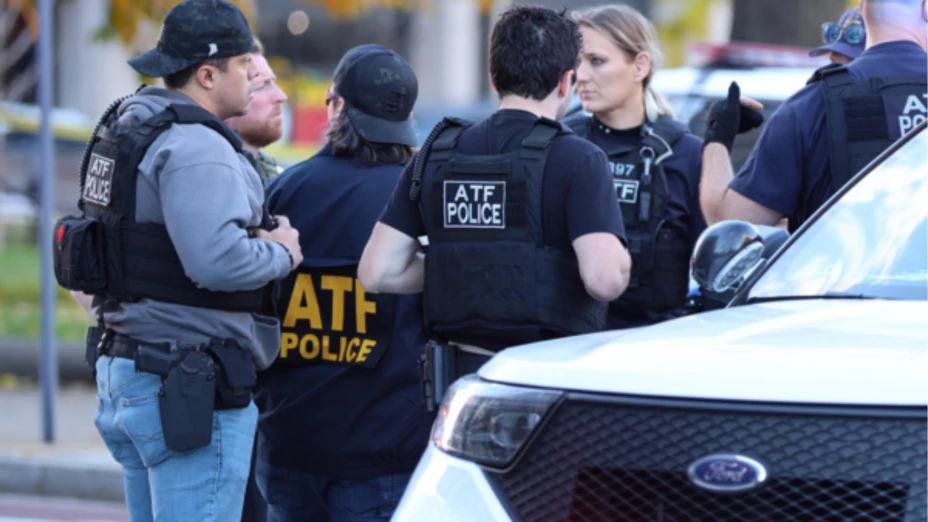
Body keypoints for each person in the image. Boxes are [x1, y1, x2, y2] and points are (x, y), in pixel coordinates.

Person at [52, 1, 303, 520]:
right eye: (243, 68)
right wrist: (280, 251)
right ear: (208, 74)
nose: (253, 79)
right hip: (186, 385)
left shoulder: (132, 126)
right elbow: (216, 263)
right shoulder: (197, 146)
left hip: (134, 368)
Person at [358, 6, 631, 397]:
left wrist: (466, 266)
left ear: (494, 78)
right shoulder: (580, 159)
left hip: (459, 386)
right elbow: (604, 280)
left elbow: (377, 272)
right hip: (549, 383)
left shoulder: (438, 151)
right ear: (566, 81)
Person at [253, 44, 433, 522]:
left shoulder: (285, 190)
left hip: (289, 444)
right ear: (407, 117)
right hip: (382, 453)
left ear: (336, 107)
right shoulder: (418, 199)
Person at [700, 0, 927, 232]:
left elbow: (730, 226)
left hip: (848, 266)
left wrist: (717, 134)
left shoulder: (810, 106)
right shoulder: (810, 106)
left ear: (863, 9)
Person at [564, 4, 706, 328]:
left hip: (654, 349)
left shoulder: (685, 154)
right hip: (568, 346)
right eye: (577, 63)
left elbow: (715, 265)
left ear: (640, 65)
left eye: (597, 61)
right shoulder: (560, 144)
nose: (581, 76)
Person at [225, 38, 288, 184]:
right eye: (262, 85)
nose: (281, 96)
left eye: (273, 82)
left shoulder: (276, 178)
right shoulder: (206, 174)